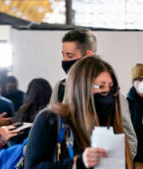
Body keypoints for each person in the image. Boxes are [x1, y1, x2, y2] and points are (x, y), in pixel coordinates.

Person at [52, 28, 137, 157]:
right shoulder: (60, 89)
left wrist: (108, 165)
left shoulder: (112, 96)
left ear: (88, 57)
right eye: (63, 55)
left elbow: (130, 143)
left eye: (70, 56)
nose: (64, 61)